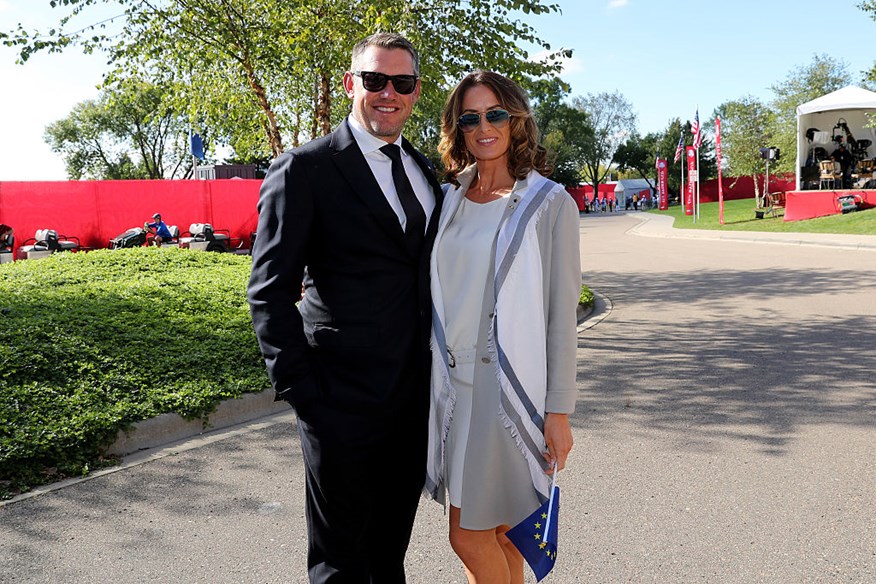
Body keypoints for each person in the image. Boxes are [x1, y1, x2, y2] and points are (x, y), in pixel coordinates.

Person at [247, 33, 443, 583]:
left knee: (389, 555)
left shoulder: (423, 171)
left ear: (415, 91)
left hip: (412, 401)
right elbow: (268, 290)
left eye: (401, 83)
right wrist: (305, 395)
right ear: (349, 84)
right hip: (339, 402)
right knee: (341, 563)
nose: (388, 94)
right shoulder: (304, 169)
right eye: (375, 79)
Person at [426, 70, 579, 583]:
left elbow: (561, 316)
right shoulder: (447, 200)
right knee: (498, 537)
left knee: (470, 536)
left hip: (508, 394)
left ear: (515, 120)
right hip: (452, 389)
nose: (483, 126)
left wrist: (558, 412)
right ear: (458, 128)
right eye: (470, 118)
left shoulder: (548, 203)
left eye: (495, 114)